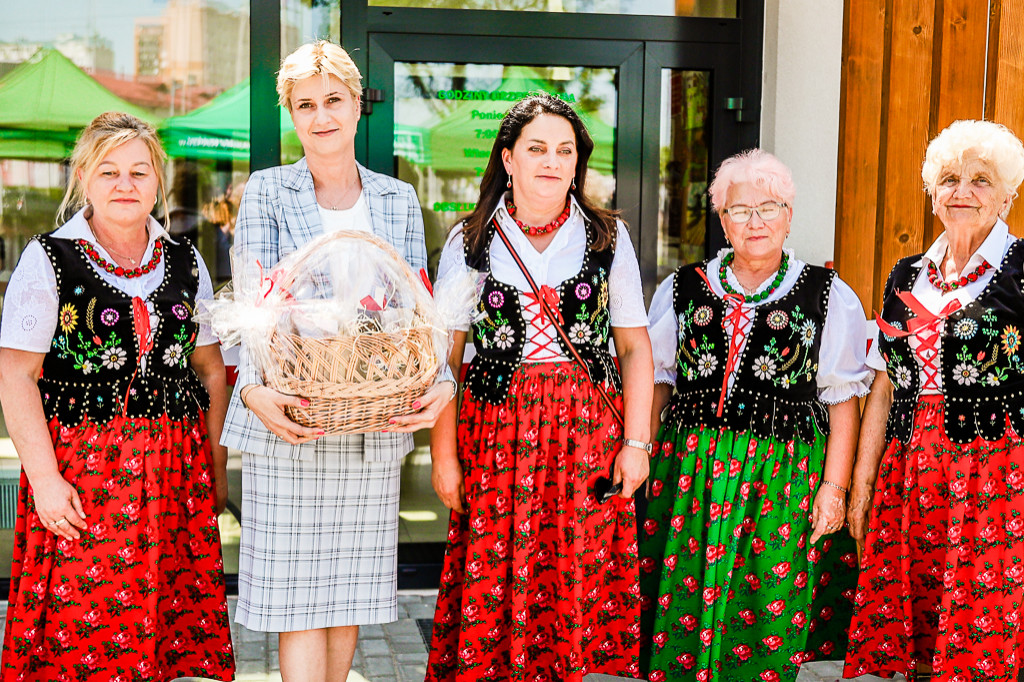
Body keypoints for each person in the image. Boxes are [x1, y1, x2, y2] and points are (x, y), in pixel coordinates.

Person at [219, 40, 454, 682]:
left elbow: (418, 305)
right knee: (299, 604)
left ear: (357, 106)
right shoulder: (266, 192)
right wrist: (251, 391)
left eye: (333, 101)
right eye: (305, 105)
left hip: (370, 415)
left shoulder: (397, 199)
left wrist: (441, 380)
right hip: (291, 415)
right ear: (291, 117)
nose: (321, 116)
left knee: (346, 595)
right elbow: (250, 300)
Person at [426, 93, 655, 681]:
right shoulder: (470, 241)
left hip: (585, 435)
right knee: (496, 575)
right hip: (494, 432)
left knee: (570, 580)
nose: (552, 161)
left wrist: (636, 444)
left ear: (578, 162)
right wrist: (443, 455)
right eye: (536, 149)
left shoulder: (607, 237)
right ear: (508, 159)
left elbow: (632, 347)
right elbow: (445, 358)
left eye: (565, 150)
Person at [0, 112, 233, 680]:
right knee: (85, 634)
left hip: (174, 478)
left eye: (138, 171)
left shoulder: (185, 260)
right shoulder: (49, 257)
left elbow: (210, 371)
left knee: (160, 635)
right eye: (108, 172)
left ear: (158, 181)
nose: (125, 185)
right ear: (83, 178)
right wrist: (47, 482)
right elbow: (15, 376)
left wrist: (216, 465)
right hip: (84, 480)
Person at [640, 149, 871, 682]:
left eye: (770, 207)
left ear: (789, 215)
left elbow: (843, 402)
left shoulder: (828, 296)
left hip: (781, 481)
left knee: (766, 608)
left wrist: (834, 489)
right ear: (722, 220)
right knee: (682, 609)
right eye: (741, 210)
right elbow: (657, 382)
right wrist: (644, 457)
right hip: (690, 475)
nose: (756, 221)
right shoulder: (682, 289)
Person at [844, 120, 1024, 682]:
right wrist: (862, 485)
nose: (962, 191)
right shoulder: (907, 273)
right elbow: (883, 385)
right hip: (909, 471)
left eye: (980, 179)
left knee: (981, 628)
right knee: (917, 625)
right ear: (932, 192)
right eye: (949, 179)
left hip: (995, 475)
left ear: (1009, 194)